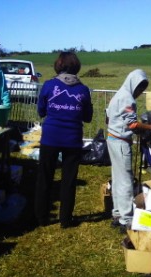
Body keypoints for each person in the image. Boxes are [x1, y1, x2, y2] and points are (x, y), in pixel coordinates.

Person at [35, 52, 93, 228]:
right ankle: (65, 219)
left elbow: (41, 111)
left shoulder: (49, 85)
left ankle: (41, 217)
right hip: (72, 139)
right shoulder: (83, 90)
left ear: (58, 66)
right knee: (69, 180)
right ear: (76, 67)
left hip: (50, 137)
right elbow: (88, 117)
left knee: (44, 177)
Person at [106, 69, 151, 232]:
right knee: (125, 181)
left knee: (117, 178)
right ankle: (127, 219)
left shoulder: (118, 94)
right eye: (139, 88)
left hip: (112, 138)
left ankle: (117, 214)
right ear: (133, 84)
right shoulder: (127, 98)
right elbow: (131, 124)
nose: (140, 92)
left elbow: (108, 117)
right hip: (120, 142)